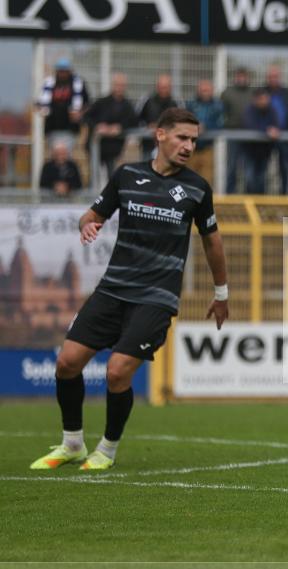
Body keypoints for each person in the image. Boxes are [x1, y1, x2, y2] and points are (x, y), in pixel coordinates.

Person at [29, 108, 229, 471]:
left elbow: (212, 244)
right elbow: (90, 216)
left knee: (117, 371)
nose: (188, 146)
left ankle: (106, 449)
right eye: (182, 137)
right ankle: (72, 443)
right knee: (66, 363)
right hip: (113, 289)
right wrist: (87, 226)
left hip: (156, 296)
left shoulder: (197, 189)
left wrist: (221, 294)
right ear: (160, 135)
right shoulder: (127, 175)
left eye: (194, 140)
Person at [83, 72, 138, 181]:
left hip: (113, 149)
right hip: (96, 146)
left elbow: (134, 122)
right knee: (94, 177)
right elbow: (86, 117)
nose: (119, 88)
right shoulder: (101, 102)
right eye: (117, 84)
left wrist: (120, 128)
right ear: (113, 85)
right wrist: (98, 126)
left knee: (112, 178)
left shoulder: (128, 106)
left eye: (122, 85)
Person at [38, 58, 89, 148]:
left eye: (64, 71)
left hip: (70, 129)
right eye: (60, 71)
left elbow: (87, 104)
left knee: (65, 153)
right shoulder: (49, 83)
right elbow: (39, 104)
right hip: (52, 128)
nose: (62, 73)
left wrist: (80, 114)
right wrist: (42, 110)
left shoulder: (78, 84)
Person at [263, 64, 288, 194]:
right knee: (263, 170)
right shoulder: (261, 92)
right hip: (265, 138)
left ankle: (284, 197)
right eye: (271, 77)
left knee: (284, 170)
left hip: (284, 137)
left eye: (276, 76)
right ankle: (261, 200)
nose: (273, 79)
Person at [185, 79, 224, 185]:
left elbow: (221, 124)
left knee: (206, 181)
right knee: (189, 181)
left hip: (207, 148)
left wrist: (206, 127)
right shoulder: (191, 104)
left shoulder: (218, 106)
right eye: (202, 90)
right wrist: (194, 127)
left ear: (212, 90)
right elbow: (184, 121)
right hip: (191, 148)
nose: (205, 92)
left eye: (207, 90)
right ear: (198, 90)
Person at [221, 67, 253, 194]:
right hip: (233, 135)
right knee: (232, 168)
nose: (241, 79)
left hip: (250, 137)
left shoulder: (253, 93)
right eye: (239, 76)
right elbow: (220, 113)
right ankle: (230, 198)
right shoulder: (227, 93)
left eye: (244, 76)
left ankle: (249, 199)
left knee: (248, 171)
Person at [241, 88, 280, 194]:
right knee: (249, 179)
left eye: (266, 98)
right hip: (250, 151)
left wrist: (274, 129)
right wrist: (267, 130)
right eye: (262, 99)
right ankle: (249, 202)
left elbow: (276, 124)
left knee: (262, 179)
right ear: (256, 99)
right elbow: (249, 125)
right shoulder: (249, 110)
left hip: (264, 151)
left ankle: (259, 206)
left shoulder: (272, 110)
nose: (264, 101)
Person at [138, 74, 180, 158]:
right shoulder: (147, 100)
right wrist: (147, 127)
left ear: (170, 87)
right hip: (148, 146)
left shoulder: (176, 102)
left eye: (166, 87)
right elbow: (137, 119)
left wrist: (164, 127)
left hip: (169, 147)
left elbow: (181, 123)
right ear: (157, 87)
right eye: (161, 87)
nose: (163, 90)